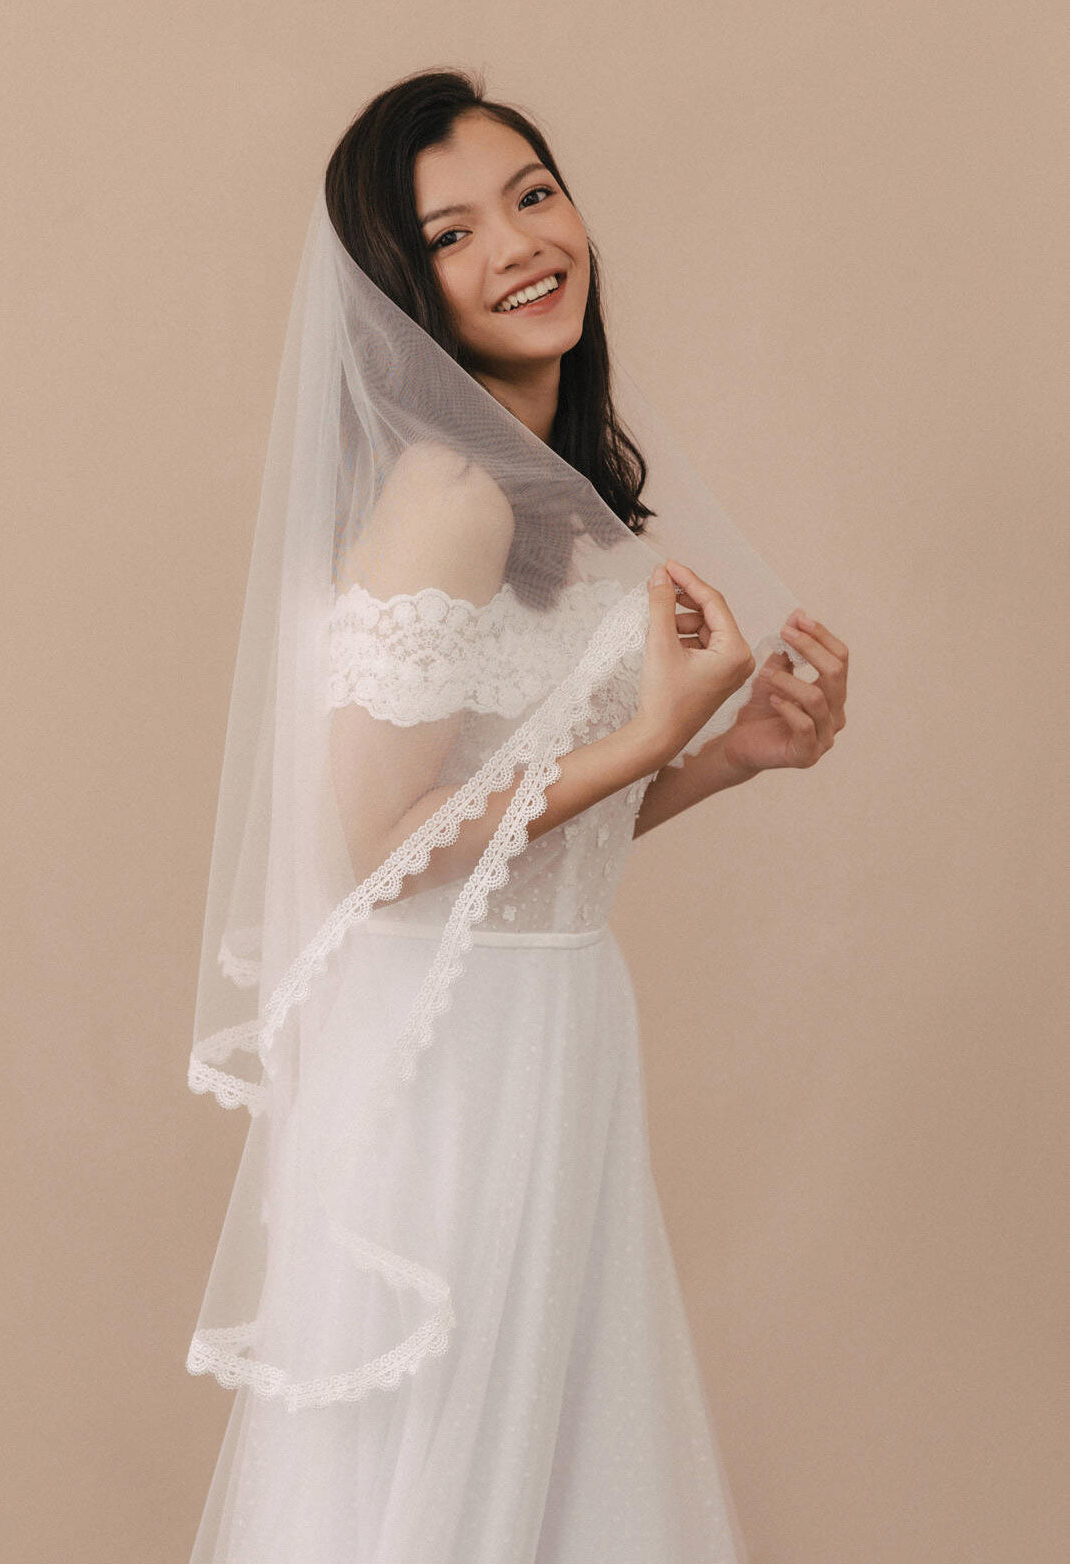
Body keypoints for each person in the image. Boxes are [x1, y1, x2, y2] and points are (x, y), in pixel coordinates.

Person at [184, 68, 848, 1564]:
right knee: (446, 1486)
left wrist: (722, 753)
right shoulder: (450, 492)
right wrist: (652, 735)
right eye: (450, 233)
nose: (515, 246)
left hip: (534, 1014)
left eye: (531, 196)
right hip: (450, 1055)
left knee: (534, 1465)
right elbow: (380, 841)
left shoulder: (531, 483)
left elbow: (506, 853)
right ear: (398, 287)